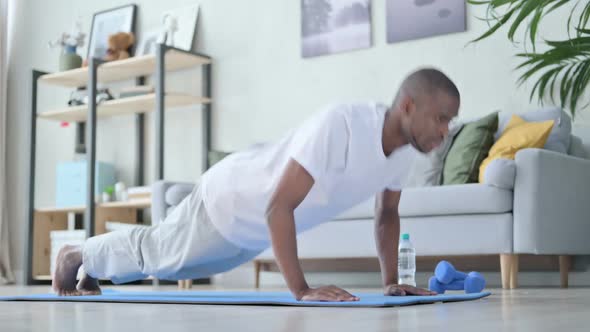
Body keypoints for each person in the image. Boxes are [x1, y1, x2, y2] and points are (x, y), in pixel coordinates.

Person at [52, 68, 460, 301]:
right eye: (440, 118)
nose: (445, 132)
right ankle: (75, 254)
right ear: (408, 106)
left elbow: (386, 214)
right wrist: (301, 291)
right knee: (161, 254)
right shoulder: (344, 124)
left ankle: (96, 267)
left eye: (451, 122)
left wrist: (390, 281)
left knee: (168, 259)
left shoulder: (405, 152)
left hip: (251, 234)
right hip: (231, 200)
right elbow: (276, 207)